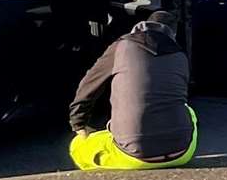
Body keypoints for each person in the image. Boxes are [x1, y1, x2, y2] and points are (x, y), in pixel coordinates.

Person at [68, 10, 197, 171]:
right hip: (183, 152)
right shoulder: (180, 55)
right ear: (173, 33)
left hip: (133, 155)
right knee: (187, 110)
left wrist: (79, 123)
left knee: (77, 146)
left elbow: (89, 84)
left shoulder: (122, 46)